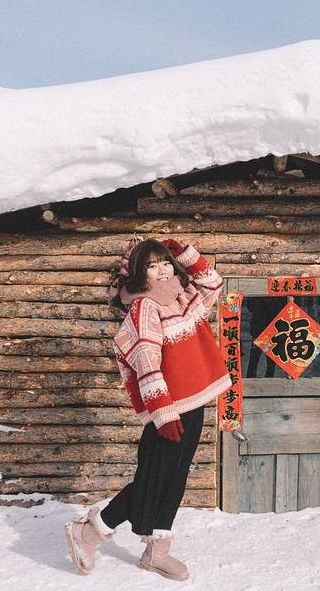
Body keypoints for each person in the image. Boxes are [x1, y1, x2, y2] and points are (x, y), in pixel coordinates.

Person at [65, 237, 232, 579]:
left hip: (193, 403)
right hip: (167, 408)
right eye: (152, 266)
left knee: (175, 477)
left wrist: (185, 252)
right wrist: (163, 413)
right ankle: (89, 532)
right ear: (140, 274)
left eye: (166, 262)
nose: (162, 270)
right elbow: (146, 361)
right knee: (152, 479)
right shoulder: (145, 307)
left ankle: (157, 551)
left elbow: (213, 283)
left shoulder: (184, 296)